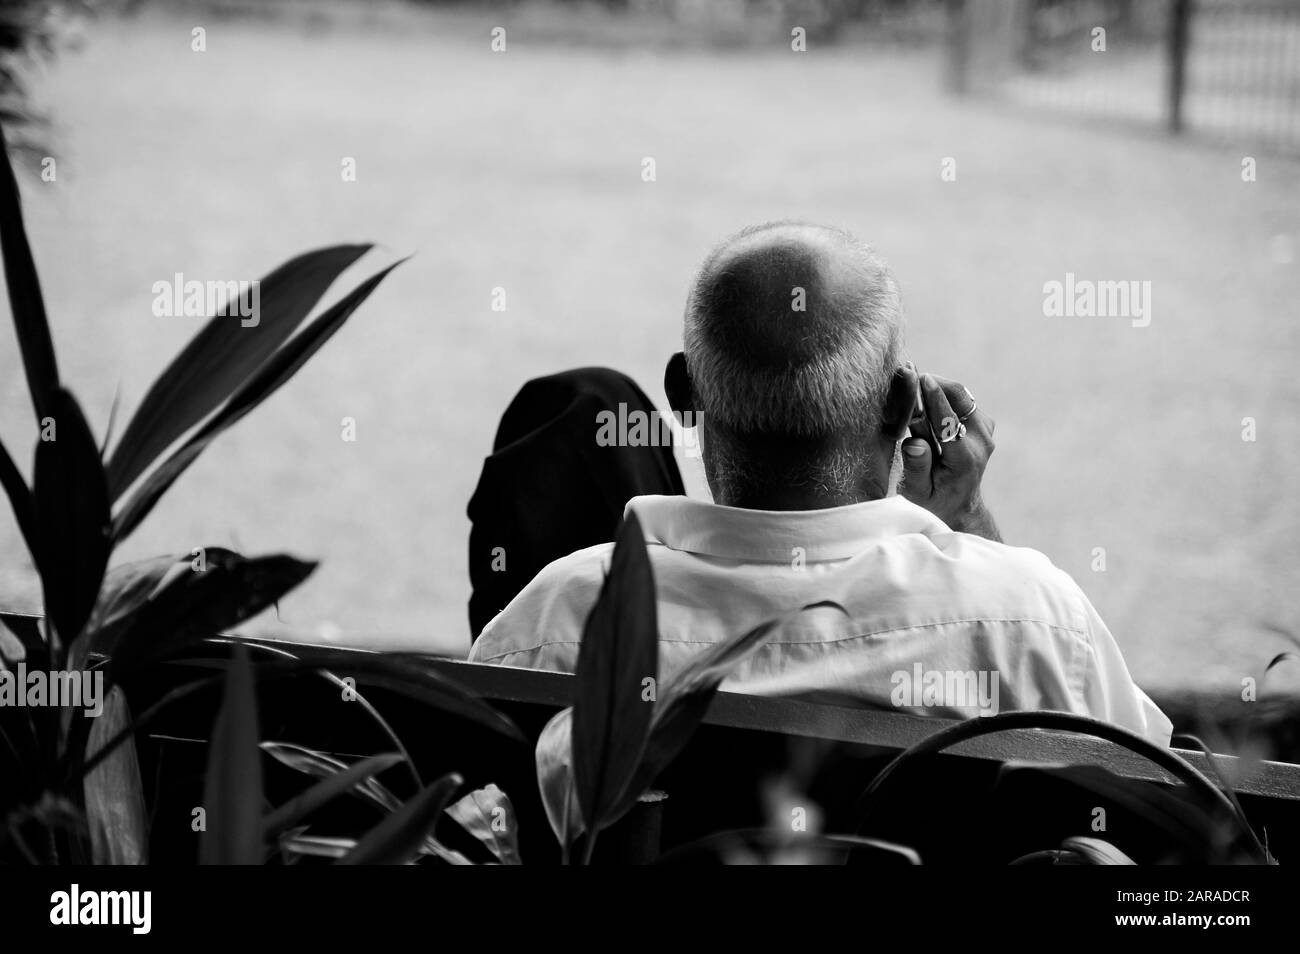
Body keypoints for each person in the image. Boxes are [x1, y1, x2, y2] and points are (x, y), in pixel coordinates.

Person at [466, 221, 1170, 744]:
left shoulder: (553, 630)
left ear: (684, 396)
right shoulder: (1029, 623)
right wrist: (972, 531)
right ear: (899, 406)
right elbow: (1171, 791)